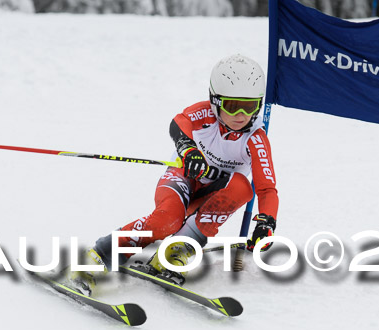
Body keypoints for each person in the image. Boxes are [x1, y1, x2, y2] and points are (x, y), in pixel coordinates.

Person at [73, 54, 279, 290]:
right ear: (215, 100)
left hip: (212, 196)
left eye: (249, 106)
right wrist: (188, 149)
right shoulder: (205, 114)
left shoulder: (256, 138)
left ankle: (175, 253)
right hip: (182, 178)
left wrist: (266, 221)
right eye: (232, 106)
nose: (241, 116)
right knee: (167, 220)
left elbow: (267, 188)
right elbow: (178, 122)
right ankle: (99, 256)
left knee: (243, 186)